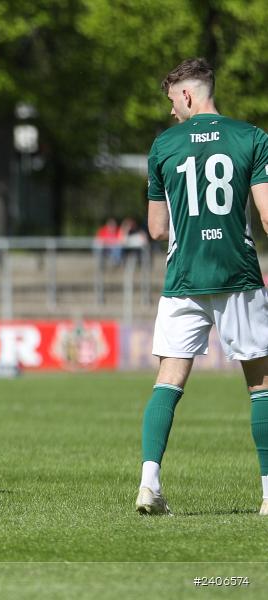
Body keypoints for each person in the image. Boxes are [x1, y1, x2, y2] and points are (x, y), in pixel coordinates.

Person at [136, 58, 268, 516]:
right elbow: (267, 216)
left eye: (173, 100)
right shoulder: (252, 137)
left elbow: (156, 229)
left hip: (184, 278)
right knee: (261, 383)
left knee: (168, 380)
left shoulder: (163, 146)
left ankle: (148, 483)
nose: (172, 110)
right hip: (238, 274)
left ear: (188, 95)